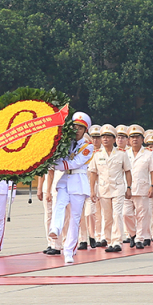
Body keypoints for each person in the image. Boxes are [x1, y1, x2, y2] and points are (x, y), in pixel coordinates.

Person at [50, 111, 95, 264]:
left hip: (78, 181)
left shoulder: (88, 147)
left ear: (85, 130)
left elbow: (73, 163)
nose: (77, 130)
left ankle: (69, 250)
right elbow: (60, 158)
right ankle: (55, 229)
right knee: (60, 204)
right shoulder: (65, 143)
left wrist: (53, 164)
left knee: (75, 219)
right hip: (65, 181)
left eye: (80, 128)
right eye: (75, 126)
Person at [89, 124, 131, 253]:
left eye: (108, 137)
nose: (105, 139)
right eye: (103, 137)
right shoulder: (96, 154)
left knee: (117, 214)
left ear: (114, 139)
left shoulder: (121, 154)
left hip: (118, 188)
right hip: (103, 189)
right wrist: (92, 190)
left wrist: (129, 187)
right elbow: (93, 173)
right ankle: (108, 240)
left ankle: (117, 241)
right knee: (107, 217)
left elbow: (127, 171)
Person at [124, 125, 153, 249]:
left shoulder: (149, 153)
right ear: (129, 140)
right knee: (125, 214)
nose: (134, 140)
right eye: (132, 137)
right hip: (127, 188)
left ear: (142, 139)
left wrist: (152, 186)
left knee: (142, 215)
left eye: (137, 137)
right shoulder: (124, 153)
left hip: (142, 187)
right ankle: (132, 234)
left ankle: (139, 238)